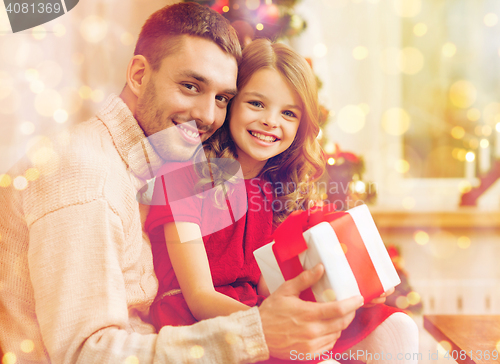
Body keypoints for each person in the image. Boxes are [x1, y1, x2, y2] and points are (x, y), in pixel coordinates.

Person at [0, 3, 364, 363]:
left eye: (222, 98)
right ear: (139, 76)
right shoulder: (83, 175)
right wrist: (257, 334)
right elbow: (86, 354)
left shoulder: (151, 166)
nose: (208, 116)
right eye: (190, 86)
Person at [146, 39, 419, 364]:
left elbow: (270, 286)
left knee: (397, 327)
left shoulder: (275, 188)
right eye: (257, 104)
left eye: (288, 113)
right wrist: (270, 326)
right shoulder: (184, 175)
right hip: (204, 322)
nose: (271, 121)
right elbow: (199, 296)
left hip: (258, 308)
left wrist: (356, 294)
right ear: (231, 104)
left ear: (301, 125)